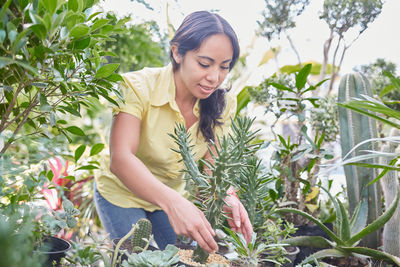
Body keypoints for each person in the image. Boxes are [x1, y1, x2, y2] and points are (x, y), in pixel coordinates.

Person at [94, 10, 252, 254]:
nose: (214, 77)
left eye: (224, 67)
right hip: (121, 194)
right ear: (178, 52)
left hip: (171, 198)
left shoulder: (223, 104)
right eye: (204, 63)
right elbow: (121, 159)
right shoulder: (137, 86)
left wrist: (227, 196)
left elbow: (212, 170)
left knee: (190, 257)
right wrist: (174, 203)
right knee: (139, 258)